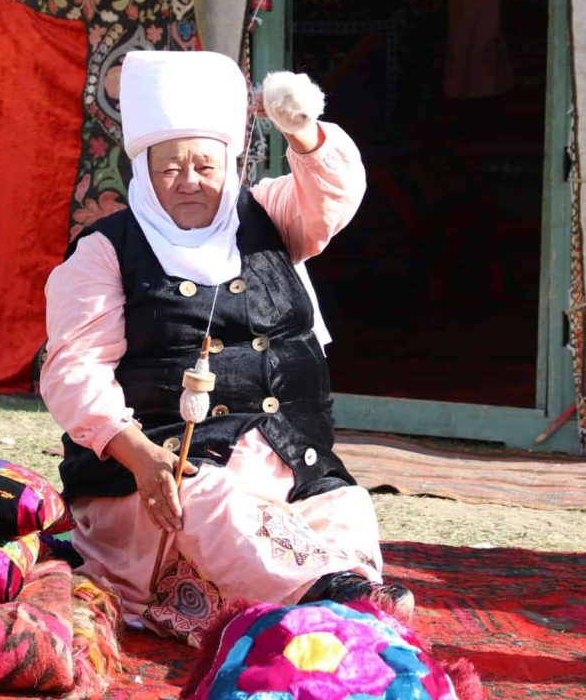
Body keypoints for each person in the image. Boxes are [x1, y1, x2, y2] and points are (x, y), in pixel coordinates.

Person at [40, 49, 414, 645]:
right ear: (143, 170)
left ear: (230, 164)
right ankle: (327, 601)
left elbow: (334, 196)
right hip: (161, 476)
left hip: (288, 460)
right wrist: (138, 453)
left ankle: (340, 599)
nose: (190, 181)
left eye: (205, 165)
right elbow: (74, 371)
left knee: (343, 504)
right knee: (211, 500)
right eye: (170, 168)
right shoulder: (105, 251)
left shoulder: (269, 215)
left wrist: (302, 130)